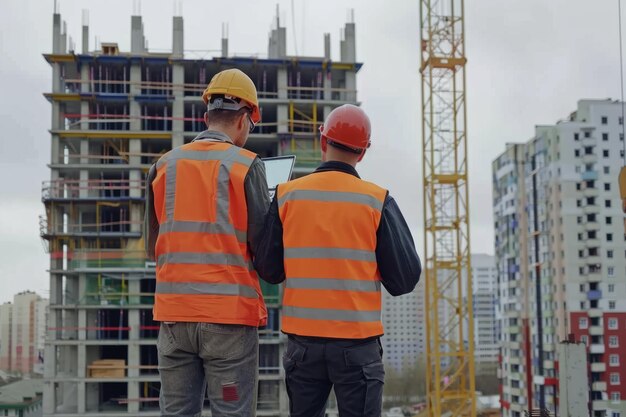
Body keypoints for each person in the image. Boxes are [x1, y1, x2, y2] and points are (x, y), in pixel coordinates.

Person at [253, 104, 421, 417]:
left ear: (322, 142)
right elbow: (404, 279)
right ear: (363, 153)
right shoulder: (376, 200)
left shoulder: (288, 195)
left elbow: (269, 270)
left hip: (303, 347)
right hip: (357, 347)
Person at [145, 68, 270, 417]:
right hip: (227, 321)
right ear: (245, 120)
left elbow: (152, 245)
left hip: (174, 318)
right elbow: (264, 248)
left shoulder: (163, 166)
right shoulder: (247, 165)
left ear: (206, 116)